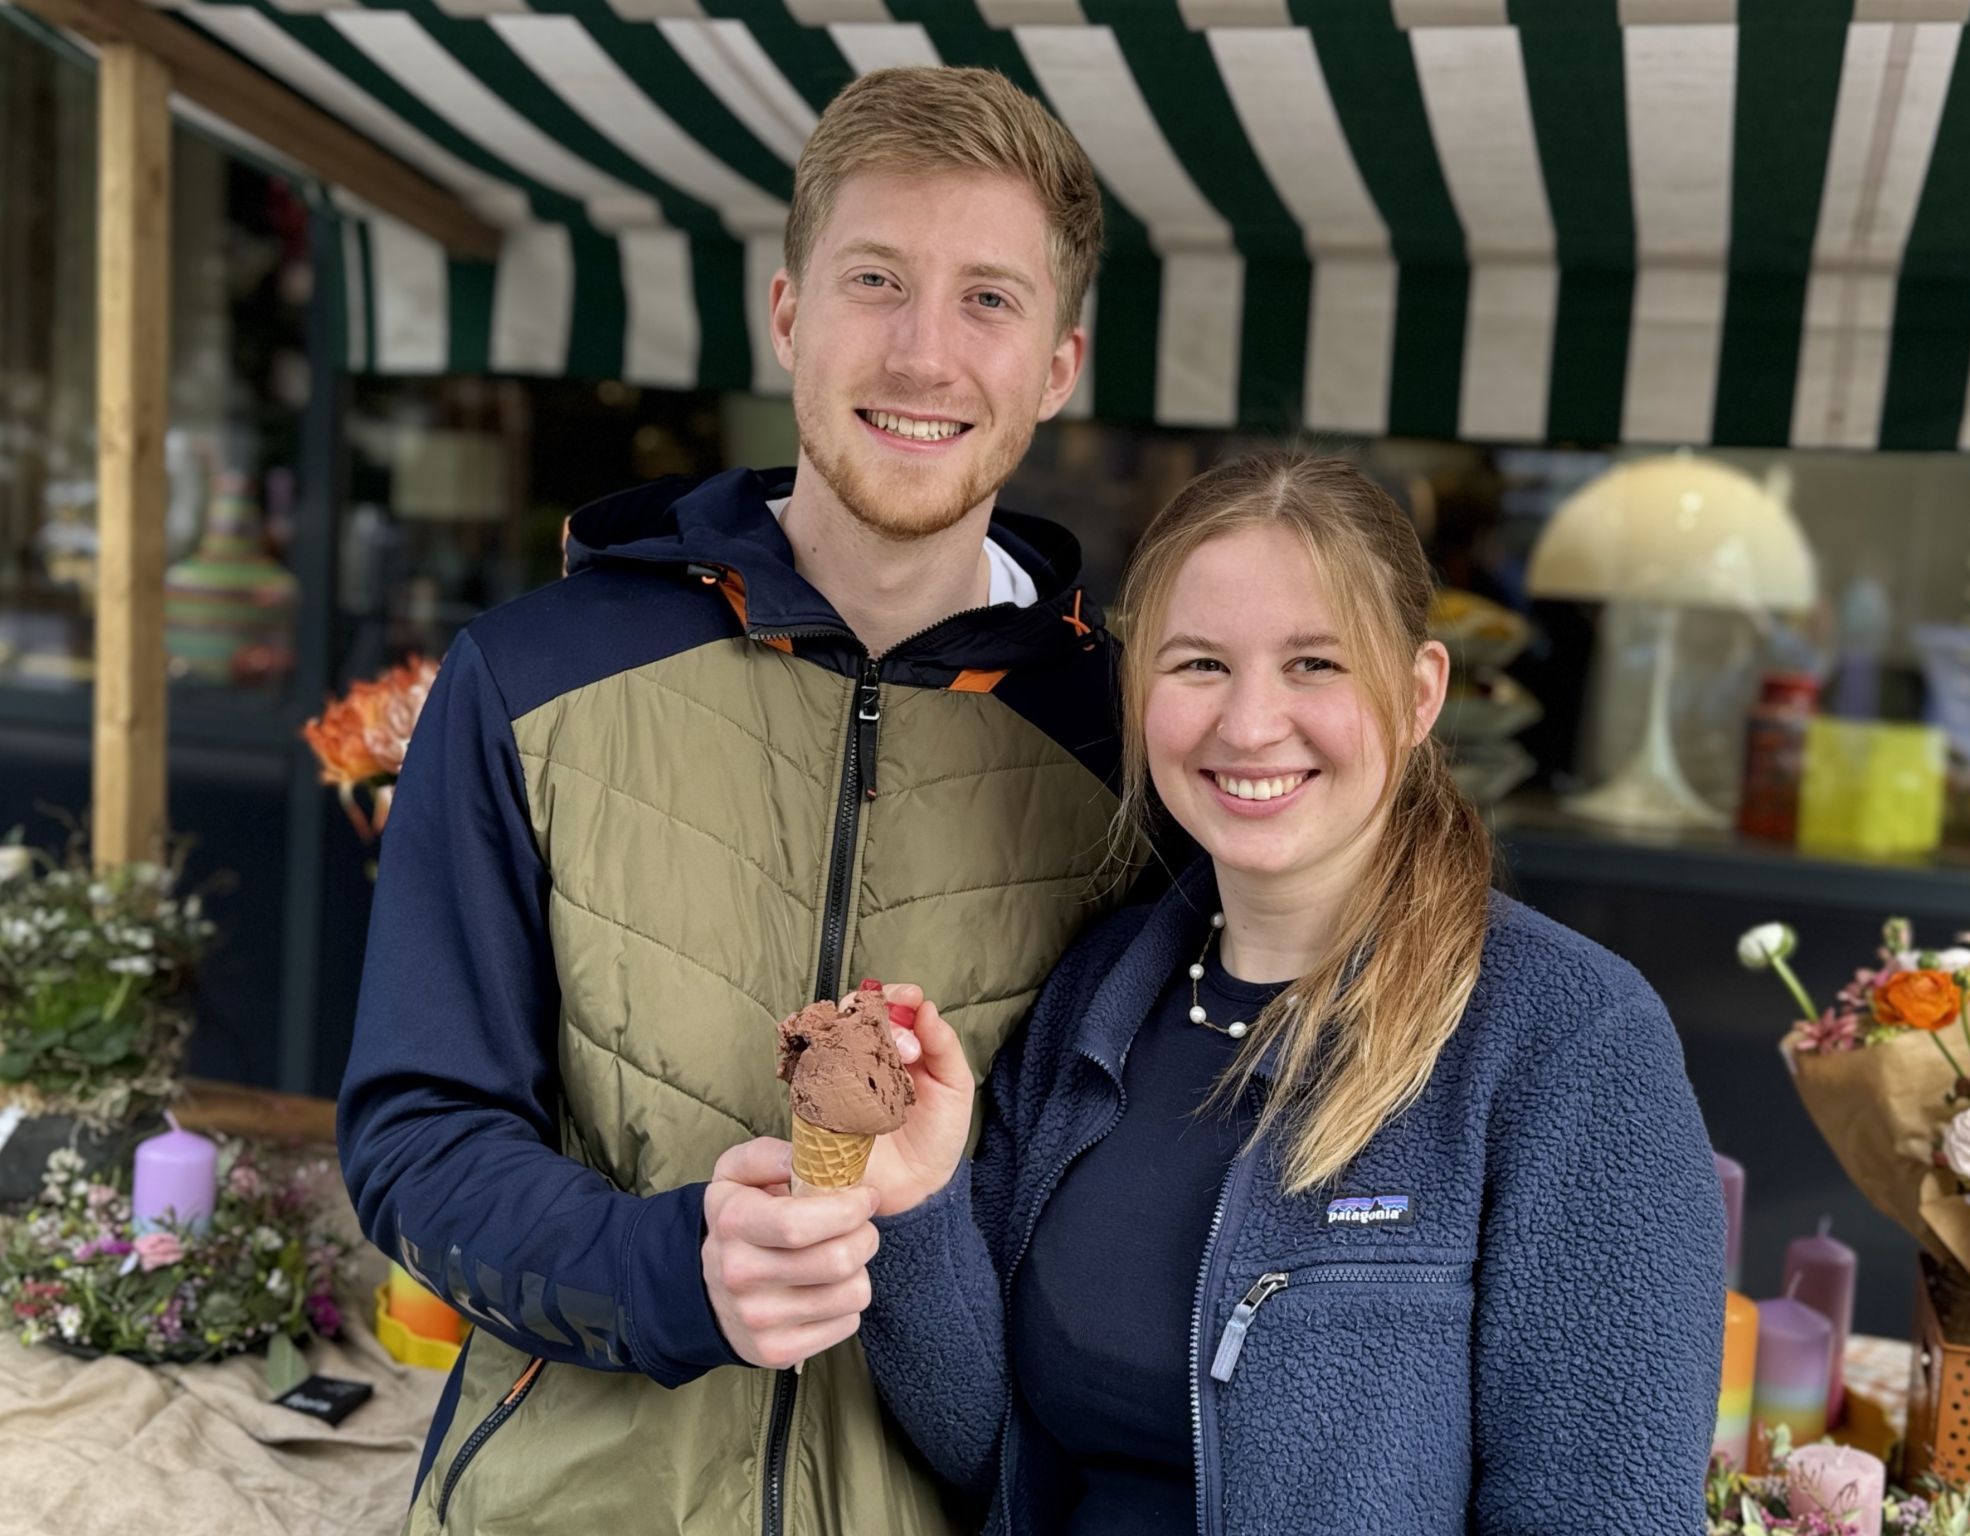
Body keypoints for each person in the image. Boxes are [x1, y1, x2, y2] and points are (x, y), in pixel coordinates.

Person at [337, 66, 1133, 1536]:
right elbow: (417, 1134)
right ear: (786, 315)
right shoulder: (527, 675)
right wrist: (667, 1273)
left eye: (988, 300)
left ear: (1057, 366)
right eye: (874, 280)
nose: (923, 353)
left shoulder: (1128, 751)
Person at [748, 453, 1725, 1533]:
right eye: (1201, 664)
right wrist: (917, 1209)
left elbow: (1603, 1505)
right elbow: (1006, 1462)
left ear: (1418, 694)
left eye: (1314, 664)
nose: (1250, 724)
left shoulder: (1569, 1041)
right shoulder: (1093, 999)